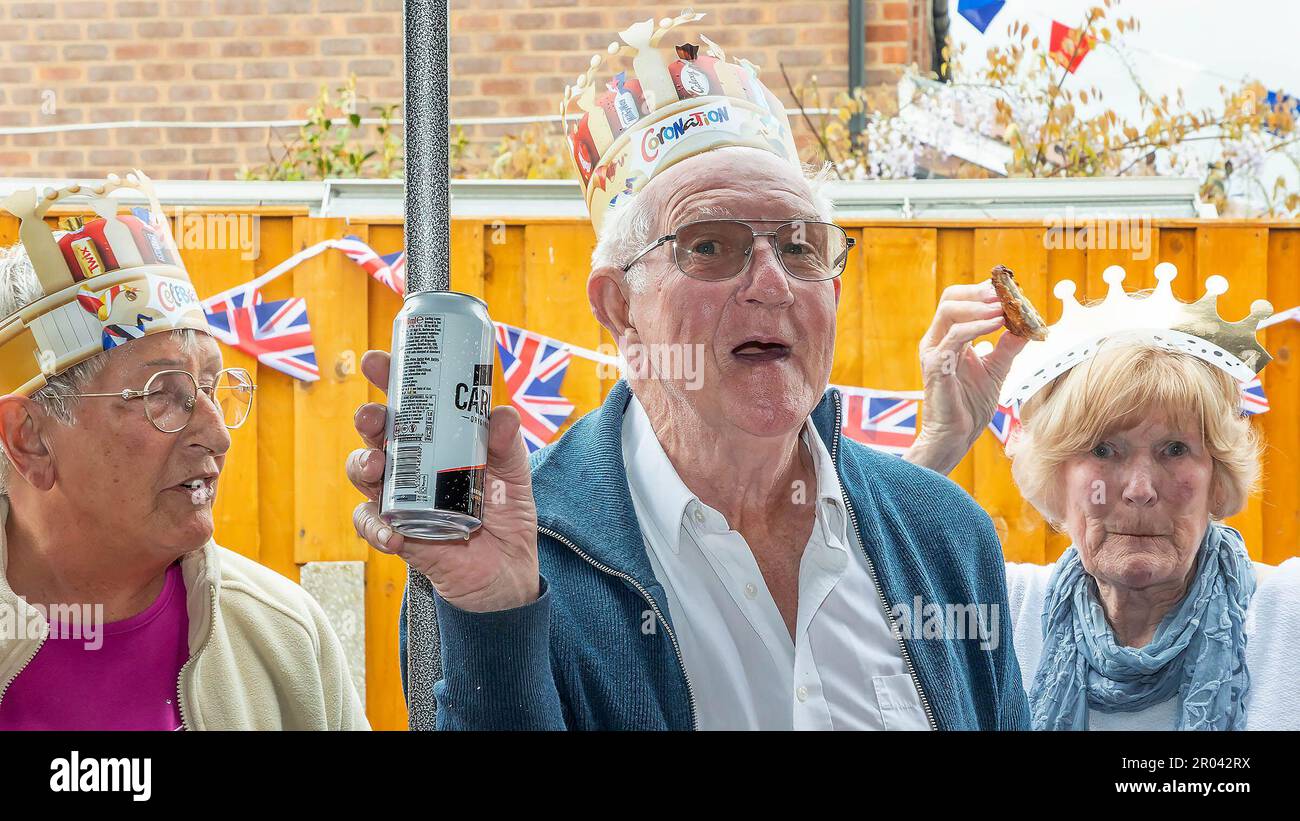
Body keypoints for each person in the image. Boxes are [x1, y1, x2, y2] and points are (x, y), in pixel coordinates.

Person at [346, 16, 1029, 730]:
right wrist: (496, 620)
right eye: (711, 244)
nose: (773, 284)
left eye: (801, 247)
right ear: (621, 307)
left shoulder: (946, 536)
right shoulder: (518, 558)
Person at [0, 171, 367, 730]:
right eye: (162, 395)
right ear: (30, 437)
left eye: (214, 388)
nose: (218, 435)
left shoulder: (284, 639)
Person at [909, 265, 1300, 729]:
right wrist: (940, 440)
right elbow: (839, 607)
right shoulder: (999, 611)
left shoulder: (1285, 614)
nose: (1140, 490)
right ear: (1055, 473)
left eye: (1174, 449)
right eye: (1103, 450)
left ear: (1218, 475)